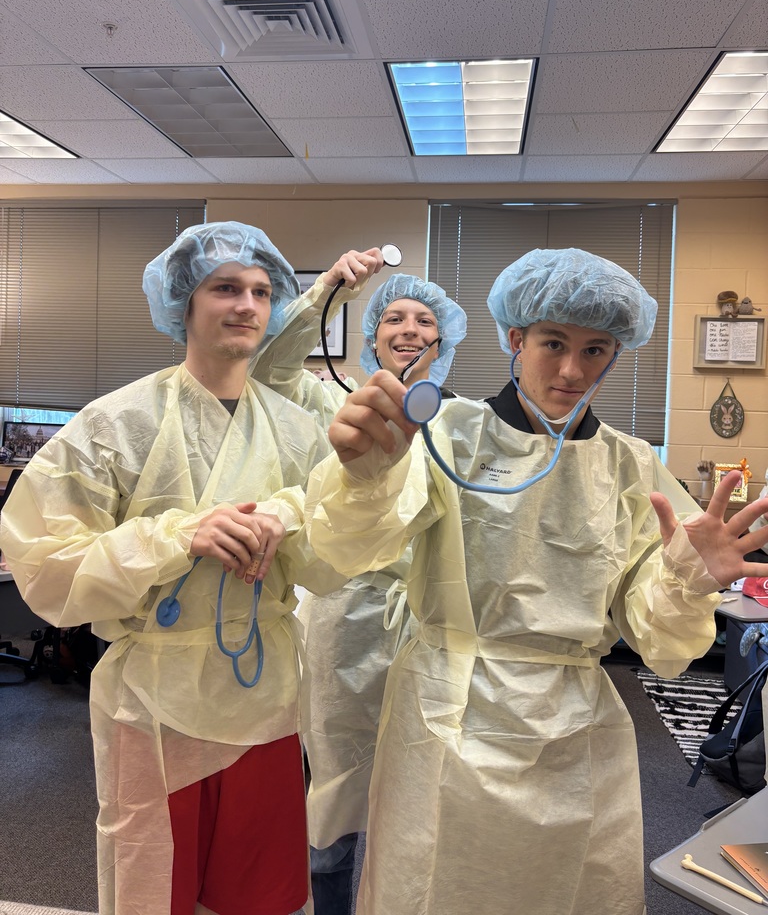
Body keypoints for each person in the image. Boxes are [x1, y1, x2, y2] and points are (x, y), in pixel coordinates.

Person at [305, 247, 768, 915]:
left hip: (572, 727)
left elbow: (659, 641)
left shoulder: (630, 465)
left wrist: (687, 581)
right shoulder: (446, 435)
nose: (573, 370)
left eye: (595, 349)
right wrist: (363, 479)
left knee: (566, 890)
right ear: (516, 339)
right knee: (433, 887)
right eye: (554, 343)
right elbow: (348, 551)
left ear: (616, 353)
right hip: (446, 713)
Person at [0, 220, 346, 915]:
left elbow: (334, 560)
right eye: (226, 288)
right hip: (153, 698)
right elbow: (43, 562)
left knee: (261, 892)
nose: (247, 305)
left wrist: (291, 517)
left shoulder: (299, 430)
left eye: (260, 291)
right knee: (154, 884)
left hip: (264, 693)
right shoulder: (116, 424)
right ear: (183, 303)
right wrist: (176, 536)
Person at [252, 269, 467, 915]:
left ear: (444, 338)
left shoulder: (463, 422)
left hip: (430, 626)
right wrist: (326, 294)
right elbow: (267, 372)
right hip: (346, 617)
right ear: (372, 337)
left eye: (425, 320)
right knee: (338, 793)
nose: (410, 330)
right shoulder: (331, 399)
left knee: (426, 796)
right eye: (394, 318)